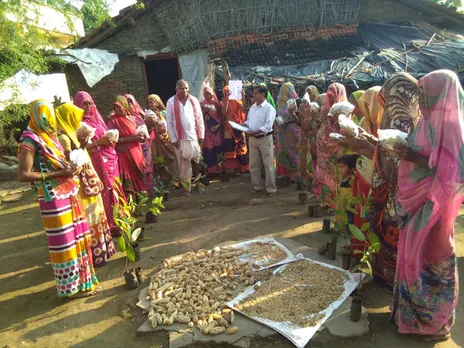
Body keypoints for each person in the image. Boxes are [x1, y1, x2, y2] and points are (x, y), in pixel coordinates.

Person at [391, 70, 463, 341]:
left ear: (440, 93)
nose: (419, 98)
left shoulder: (453, 127)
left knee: (432, 259)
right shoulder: (426, 123)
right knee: (411, 257)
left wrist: (414, 157)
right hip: (414, 203)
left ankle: (433, 323)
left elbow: (455, 171)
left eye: (424, 92)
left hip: (434, 207)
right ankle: (410, 316)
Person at [18, 100, 99, 298]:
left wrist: (71, 168)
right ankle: (69, 289)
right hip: (52, 197)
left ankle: (82, 282)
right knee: (63, 242)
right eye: (45, 117)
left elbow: (59, 162)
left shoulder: (48, 136)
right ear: (37, 117)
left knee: (77, 237)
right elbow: (23, 174)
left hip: (67, 191)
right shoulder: (30, 140)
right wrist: (58, 174)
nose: (49, 121)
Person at [55, 103, 116, 267]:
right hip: (81, 187)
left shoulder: (72, 135)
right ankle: (95, 257)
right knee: (90, 217)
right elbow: (69, 163)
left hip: (88, 183)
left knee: (96, 214)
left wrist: (82, 143)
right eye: (75, 117)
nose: (79, 121)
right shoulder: (64, 138)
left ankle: (102, 253)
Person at [73, 91, 126, 236]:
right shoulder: (78, 124)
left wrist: (110, 141)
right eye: (84, 104)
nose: (88, 106)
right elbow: (78, 147)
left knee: (114, 187)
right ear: (78, 105)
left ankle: (119, 219)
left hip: (110, 161)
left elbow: (105, 135)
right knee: (104, 190)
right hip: (96, 162)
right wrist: (99, 142)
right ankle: (108, 223)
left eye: (90, 103)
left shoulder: (97, 119)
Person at [166, 79, 205, 195]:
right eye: (182, 88)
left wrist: (201, 136)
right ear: (176, 89)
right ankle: (186, 188)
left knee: (196, 161)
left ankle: (198, 184)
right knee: (183, 165)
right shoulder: (171, 102)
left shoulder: (193, 100)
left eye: (186, 88)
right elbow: (169, 122)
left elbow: (199, 119)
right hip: (179, 139)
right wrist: (173, 138)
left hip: (193, 136)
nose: (184, 90)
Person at [315, 84, 348, 206]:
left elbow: (344, 128)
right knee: (323, 173)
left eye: (333, 95)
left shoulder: (345, 110)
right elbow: (320, 123)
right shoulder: (324, 109)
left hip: (336, 146)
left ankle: (335, 201)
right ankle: (324, 199)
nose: (331, 98)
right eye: (329, 95)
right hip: (322, 147)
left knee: (334, 173)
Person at [107, 96, 147, 196]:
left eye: (119, 107)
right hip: (123, 153)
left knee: (140, 175)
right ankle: (132, 205)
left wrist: (141, 136)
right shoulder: (113, 120)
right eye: (115, 107)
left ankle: (142, 203)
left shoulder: (133, 118)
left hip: (136, 151)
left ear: (125, 106)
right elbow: (111, 139)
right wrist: (130, 139)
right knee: (129, 180)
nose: (117, 109)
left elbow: (140, 132)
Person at [245, 85, 277, 196]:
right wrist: (243, 127)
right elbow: (249, 122)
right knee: (253, 164)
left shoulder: (269, 109)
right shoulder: (253, 107)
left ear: (263, 94)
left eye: (256, 93)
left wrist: (253, 132)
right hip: (253, 139)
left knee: (268, 165)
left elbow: (268, 126)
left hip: (264, 138)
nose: (254, 95)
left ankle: (271, 189)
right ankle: (257, 186)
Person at [125, 94, 155, 196]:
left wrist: (150, 127)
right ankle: (141, 194)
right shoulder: (124, 118)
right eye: (126, 102)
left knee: (148, 170)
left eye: (131, 102)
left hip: (145, 147)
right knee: (138, 170)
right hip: (133, 148)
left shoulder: (141, 115)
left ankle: (150, 192)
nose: (129, 105)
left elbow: (149, 133)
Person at [146, 94, 179, 183]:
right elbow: (147, 129)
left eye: (151, 102)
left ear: (157, 102)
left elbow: (171, 125)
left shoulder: (164, 113)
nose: (150, 105)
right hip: (156, 141)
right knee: (159, 160)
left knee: (171, 158)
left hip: (167, 139)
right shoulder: (148, 114)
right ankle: (163, 181)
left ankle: (175, 180)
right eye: (148, 103)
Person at [275, 82, 301, 181]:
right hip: (281, 131)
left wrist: (292, 115)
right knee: (282, 153)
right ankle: (285, 175)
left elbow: (299, 120)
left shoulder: (296, 102)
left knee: (294, 154)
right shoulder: (279, 102)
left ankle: (296, 176)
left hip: (292, 131)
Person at [221, 85, 249, 174]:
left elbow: (243, 110)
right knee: (231, 148)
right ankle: (235, 168)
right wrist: (227, 99)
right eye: (226, 92)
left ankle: (244, 167)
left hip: (238, 127)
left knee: (241, 147)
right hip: (228, 128)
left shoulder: (238, 101)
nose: (228, 93)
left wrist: (243, 97)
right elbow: (223, 112)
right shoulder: (222, 102)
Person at [200, 86, 223, 175]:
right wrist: (204, 111)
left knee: (218, 150)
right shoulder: (202, 104)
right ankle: (210, 170)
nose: (208, 96)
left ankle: (220, 169)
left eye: (209, 93)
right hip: (207, 131)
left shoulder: (217, 104)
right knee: (209, 150)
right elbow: (199, 116)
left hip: (217, 130)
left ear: (212, 94)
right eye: (206, 94)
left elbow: (221, 115)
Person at [298, 99, 320, 186]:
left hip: (318, 146)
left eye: (314, 111)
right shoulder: (309, 121)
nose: (313, 113)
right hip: (311, 145)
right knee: (312, 162)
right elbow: (305, 130)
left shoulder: (320, 121)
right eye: (311, 111)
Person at [335, 154, 358, 231]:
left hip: (349, 207)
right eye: (339, 166)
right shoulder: (343, 178)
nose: (339, 169)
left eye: (342, 167)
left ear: (352, 169)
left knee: (349, 225)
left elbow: (356, 192)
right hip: (342, 205)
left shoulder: (352, 180)